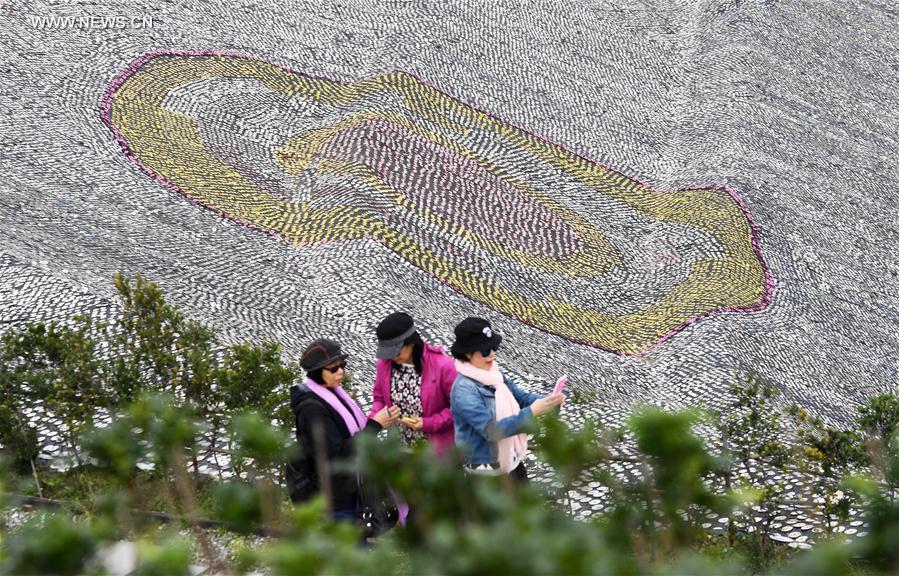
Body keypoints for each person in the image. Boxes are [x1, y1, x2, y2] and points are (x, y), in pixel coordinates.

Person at [287, 338, 399, 521]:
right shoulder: (311, 409)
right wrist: (375, 426)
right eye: (333, 368)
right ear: (316, 372)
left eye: (342, 365)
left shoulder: (334, 394)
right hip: (336, 500)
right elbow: (337, 454)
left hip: (349, 492)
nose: (341, 372)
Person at [449, 317, 564, 481]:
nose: (492, 354)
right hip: (485, 475)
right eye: (485, 351)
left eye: (494, 348)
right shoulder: (463, 389)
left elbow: (522, 398)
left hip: (512, 463)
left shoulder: (494, 374)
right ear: (467, 354)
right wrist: (531, 412)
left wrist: (550, 401)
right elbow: (491, 430)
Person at [370, 312, 458, 454]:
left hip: (435, 453)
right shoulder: (384, 365)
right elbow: (379, 398)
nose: (392, 357)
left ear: (411, 343)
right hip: (398, 451)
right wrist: (375, 420)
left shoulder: (443, 366)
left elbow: (458, 408)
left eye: (396, 352)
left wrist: (428, 423)